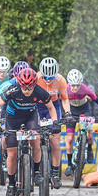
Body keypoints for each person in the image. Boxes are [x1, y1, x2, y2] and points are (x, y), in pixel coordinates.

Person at [0, 66, 58, 196]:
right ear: (19, 84)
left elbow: (51, 106)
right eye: (24, 88)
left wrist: (55, 123)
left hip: (30, 117)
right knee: (12, 153)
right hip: (12, 118)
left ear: (34, 85)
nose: (27, 91)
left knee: (36, 138)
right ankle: (11, 184)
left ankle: (37, 172)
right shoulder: (13, 90)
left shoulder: (39, 91)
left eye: (29, 88)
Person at [64, 68, 98, 175]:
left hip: (84, 110)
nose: (75, 88)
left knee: (89, 134)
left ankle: (89, 149)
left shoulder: (85, 89)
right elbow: (60, 102)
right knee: (69, 139)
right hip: (72, 110)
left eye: (77, 85)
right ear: (69, 83)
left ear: (81, 84)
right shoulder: (65, 89)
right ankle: (70, 165)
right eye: (73, 85)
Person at [37, 56, 67, 187]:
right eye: (46, 77)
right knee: (35, 138)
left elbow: (65, 99)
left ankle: (55, 174)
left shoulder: (61, 80)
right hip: (37, 107)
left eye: (51, 78)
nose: (48, 80)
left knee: (55, 141)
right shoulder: (36, 78)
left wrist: (69, 113)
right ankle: (34, 170)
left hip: (53, 107)